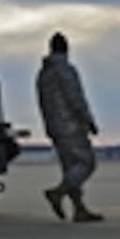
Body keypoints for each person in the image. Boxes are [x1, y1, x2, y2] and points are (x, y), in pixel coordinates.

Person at [36, 32, 103, 223]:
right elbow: (75, 98)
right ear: (66, 49)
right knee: (86, 163)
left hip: (55, 128)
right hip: (71, 126)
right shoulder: (64, 70)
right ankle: (58, 192)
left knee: (70, 168)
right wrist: (88, 120)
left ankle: (79, 209)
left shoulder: (43, 74)